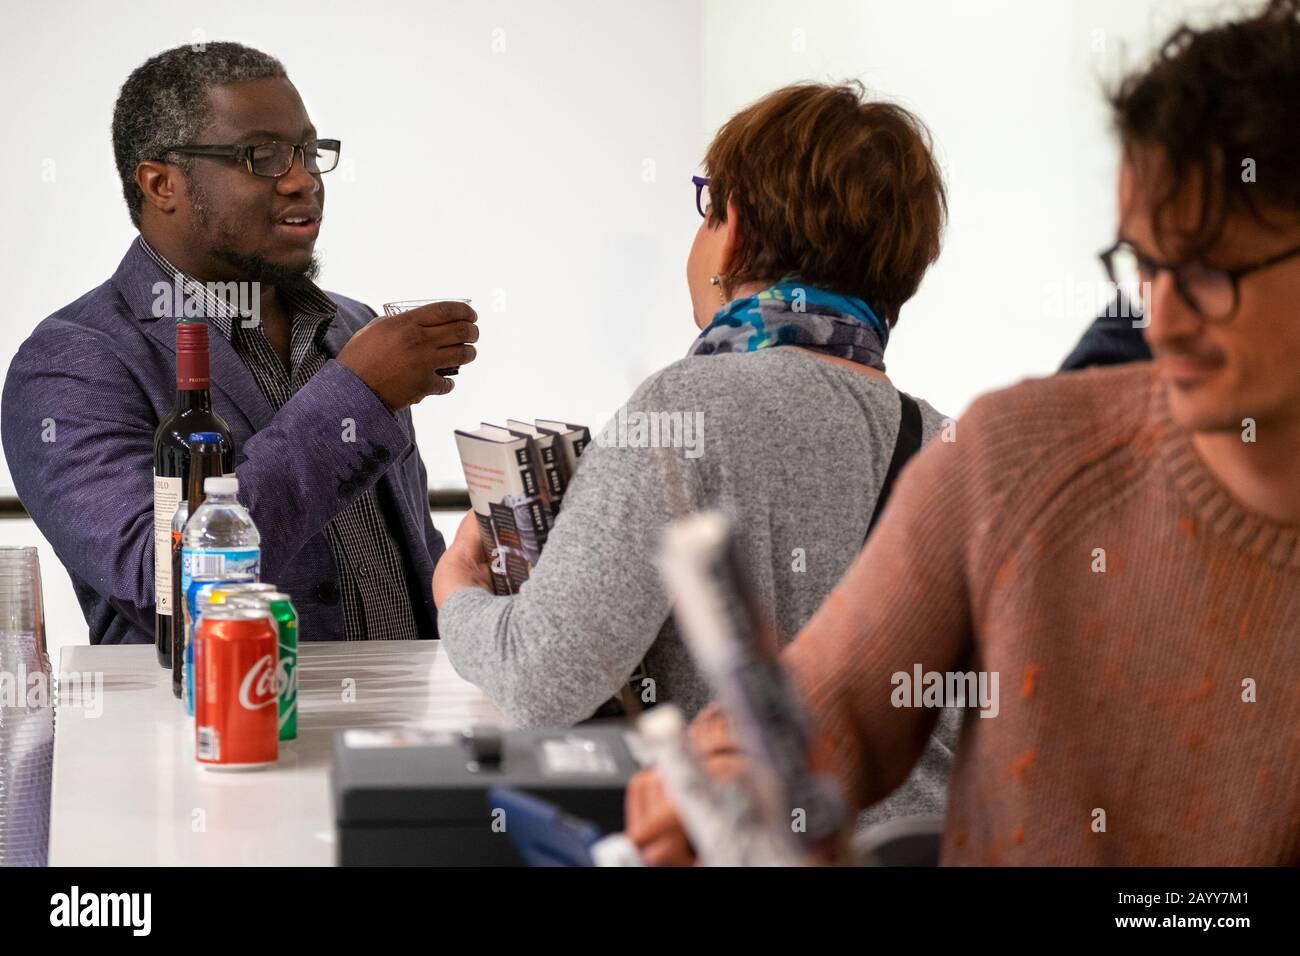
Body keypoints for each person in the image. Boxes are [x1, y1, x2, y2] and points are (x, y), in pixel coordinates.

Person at [626, 0, 1300, 866]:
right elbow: (835, 707)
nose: (1160, 318)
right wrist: (736, 774)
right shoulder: (1010, 459)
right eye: (1144, 265)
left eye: (1207, 271)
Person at [433, 82, 958, 825]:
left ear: (731, 224)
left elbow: (540, 677)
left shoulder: (680, 412)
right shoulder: (948, 447)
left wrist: (457, 591)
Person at [1, 43, 478, 644]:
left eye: (307, 151)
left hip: (409, 727)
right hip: (220, 733)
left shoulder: (352, 327)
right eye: (263, 156)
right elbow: (163, 583)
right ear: (161, 183)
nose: (302, 179)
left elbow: (397, 563)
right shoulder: (73, 364)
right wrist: (355, 396)